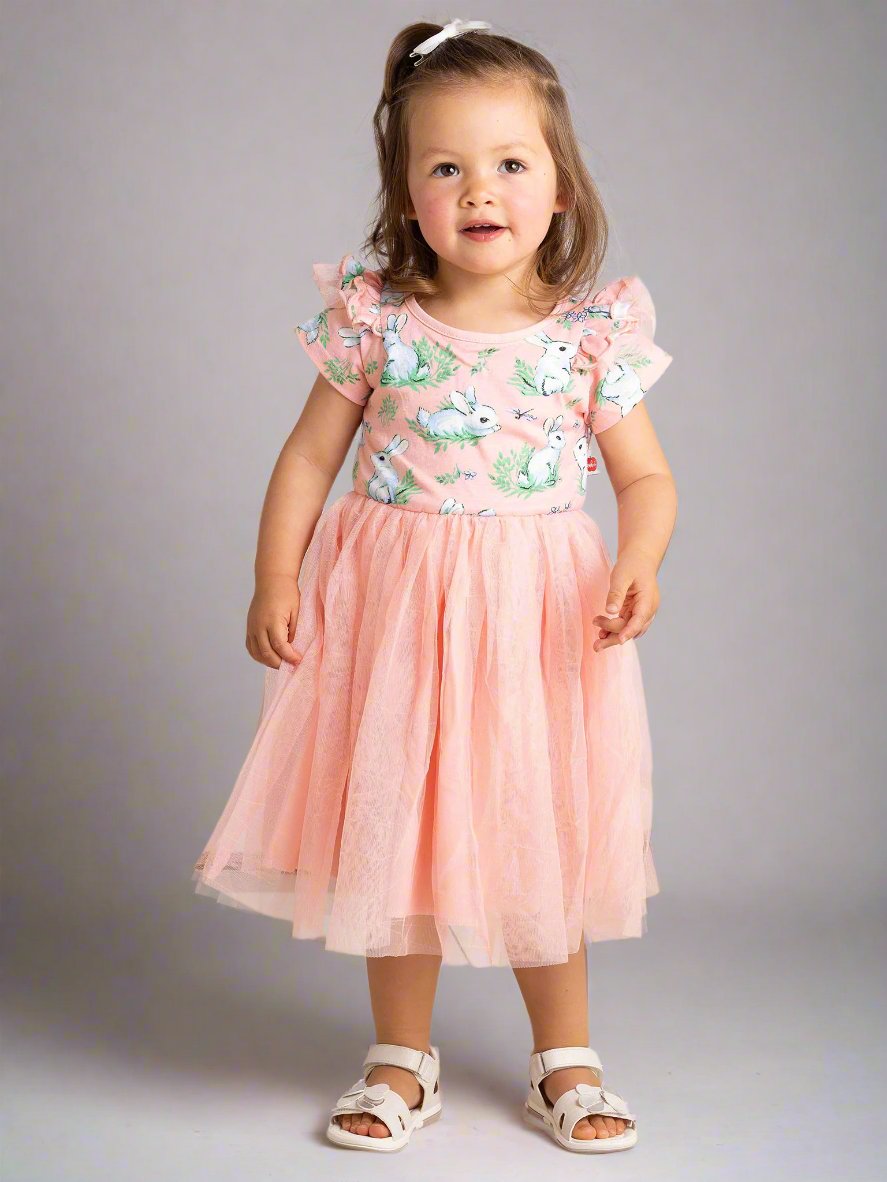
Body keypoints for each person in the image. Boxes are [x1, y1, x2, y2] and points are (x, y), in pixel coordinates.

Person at [192, 16, 676, 1156]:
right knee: (394, 832)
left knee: (535, 830)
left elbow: (645, 475)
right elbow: (308, 456)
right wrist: (275, 575)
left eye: (509, 164)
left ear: (559, 188)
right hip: (397, 620)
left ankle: (565, 1056)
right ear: (405, 193)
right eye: (444, 167)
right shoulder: (380, 325)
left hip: (535, 622)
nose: (478, 190)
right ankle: (399, 1055)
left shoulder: (586, 336)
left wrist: (636, 558)